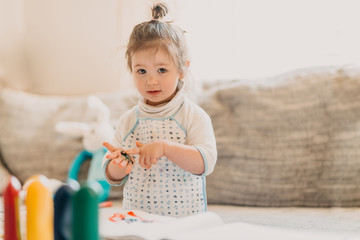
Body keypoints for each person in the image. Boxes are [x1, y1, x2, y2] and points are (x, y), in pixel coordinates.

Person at [102, 2, 217, 217]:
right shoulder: (128, 120)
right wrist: (118, 164)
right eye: (142, 71)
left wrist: (166, 147)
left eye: (162, 70)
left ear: (182, 70)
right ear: (132, 71)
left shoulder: (193, 116)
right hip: (137, 221)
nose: (151, 80)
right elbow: (112, 175)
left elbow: (205, 163)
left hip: (185, 221)